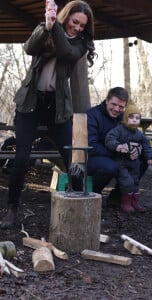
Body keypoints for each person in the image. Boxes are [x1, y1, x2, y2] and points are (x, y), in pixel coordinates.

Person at [0, 0, 95, 230]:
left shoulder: (81, 44)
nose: (78, 28)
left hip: (57, 106)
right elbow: (29, 48)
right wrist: (47, 25)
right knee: (21, 157)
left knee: (73, 157)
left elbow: (65, 52)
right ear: (66, 16)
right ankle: (12, 209)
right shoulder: (47, 27)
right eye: (75, 22)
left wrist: (57, 29)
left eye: (83, 25)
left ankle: (80, 207)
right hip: (31, 103)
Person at [105, 101, 152, 213]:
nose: (134, 120)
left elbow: (146, 144)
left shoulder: (139, 134)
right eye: (131, 117)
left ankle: (135, 202)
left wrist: (149, 157)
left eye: (137, 118)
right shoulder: (119, 130)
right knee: (127, 182)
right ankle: (125, 203)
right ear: (126, 118)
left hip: (134, 162)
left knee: (135, 182)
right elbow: (109, 138)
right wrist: (117, 146)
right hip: (121, 162)